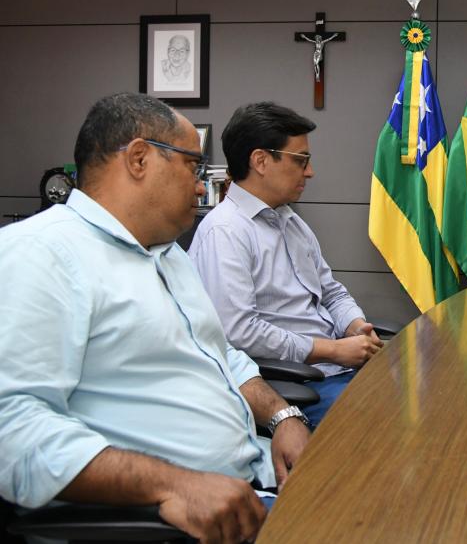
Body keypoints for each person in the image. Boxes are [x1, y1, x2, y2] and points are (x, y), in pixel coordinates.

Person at [0, 93, 310, 543]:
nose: (204, 186)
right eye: (194, 168)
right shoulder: (42, 253)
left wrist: (283, 417)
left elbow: (225, 357)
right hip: (184, 523)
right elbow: (13, 430)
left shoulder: (167, 253)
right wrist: (176, 486)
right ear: (139, 159)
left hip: (256, 477)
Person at [189, 102, 382, 428]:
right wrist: (332, 351)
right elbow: (240, 333)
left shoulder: (290, 221)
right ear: (261, 161)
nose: (310, 172)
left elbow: (331, 292)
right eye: (300, 160)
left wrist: (355, 325)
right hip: (295, 385)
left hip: (336, 368)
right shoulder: (225, 231)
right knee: (392, 424)